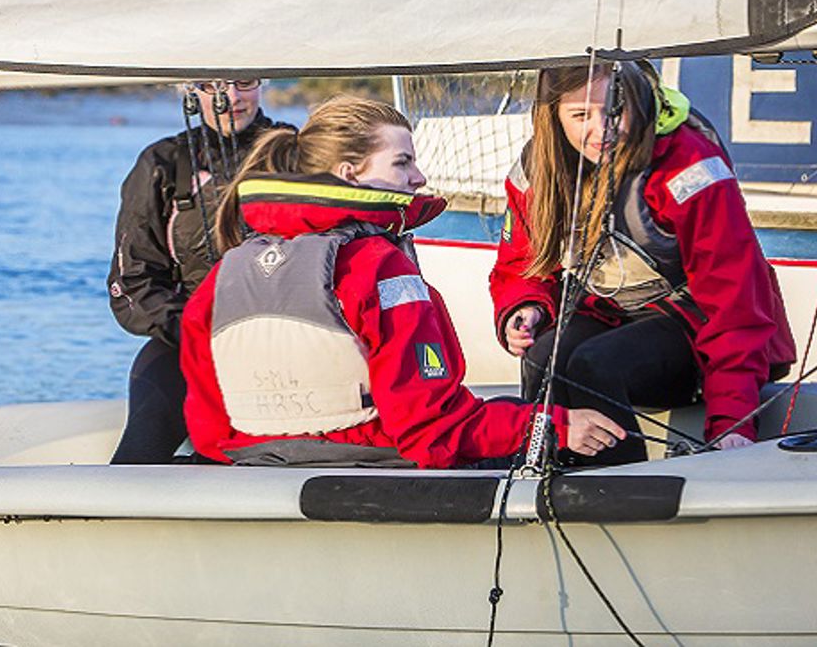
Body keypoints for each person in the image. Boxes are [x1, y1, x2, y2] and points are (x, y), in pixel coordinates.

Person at [179, 96, 624, 468]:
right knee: (565, 454)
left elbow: (209, 430)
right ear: (350, 174)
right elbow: (429, 432)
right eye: (402, 162)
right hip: (377, 472)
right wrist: (554, 425)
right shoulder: (376, 267)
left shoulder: (223, 275)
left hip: (257, 471)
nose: (420, 177)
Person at [491, 61, 796, 465]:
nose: (602, 128)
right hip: (611, 314)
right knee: (543, 357)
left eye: (614, 109)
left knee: (594, 366)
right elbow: (520, 265)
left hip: (695, 330)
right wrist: (524, 306)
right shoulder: (537, 168)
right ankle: (544, 471)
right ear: (553, 116)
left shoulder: (689, 166)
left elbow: (735, 302)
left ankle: (624, 492)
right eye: (581, 115)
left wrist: (732, 421)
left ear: (637, 101)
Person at [107, 79, 286, 463]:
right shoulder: (162, 164)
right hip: (186, 341)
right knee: (139, 452)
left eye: (245, 83)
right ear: (187, 91)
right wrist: (197, 331)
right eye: (211, 86)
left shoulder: (296, 156)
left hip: (283, 345)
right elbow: (133, 285)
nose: (232, 99)